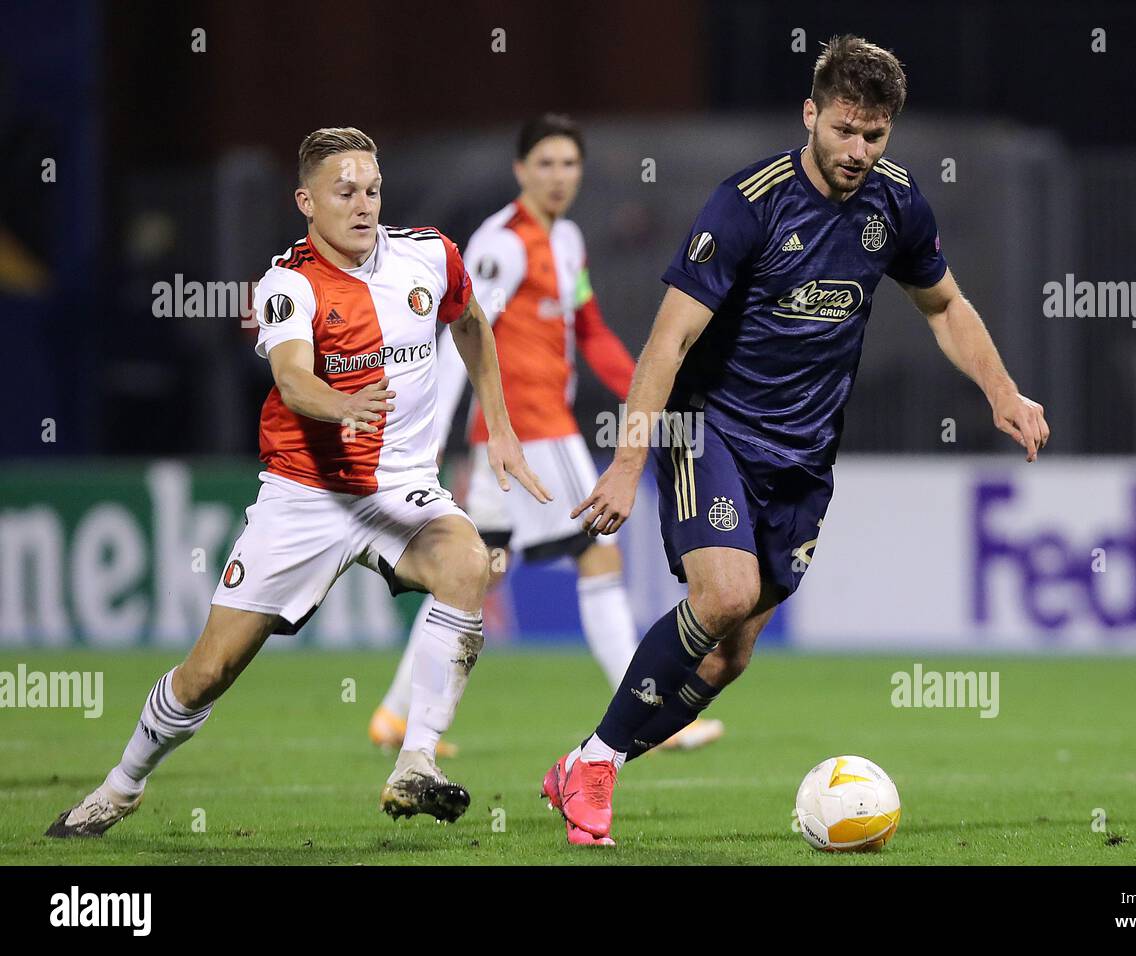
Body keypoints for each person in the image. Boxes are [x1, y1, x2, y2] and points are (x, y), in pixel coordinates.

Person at [546, 36, 1051, 846]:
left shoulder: (896, 204)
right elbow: (666, 344)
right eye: (845, 130)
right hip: (709, 427)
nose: (858, 151)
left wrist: (1001, 391)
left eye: (875, 135)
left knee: (730, 654)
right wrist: (625, 464)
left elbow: (945, 306)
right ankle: (599, 767)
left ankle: (581, 763)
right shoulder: (748, 204)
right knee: (723, 596)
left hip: (805, 457)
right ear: (811, 114)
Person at [46, 127, 549, 838]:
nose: (363, 204)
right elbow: (290, 376)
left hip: (397, 487)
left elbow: (469, 320)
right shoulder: (288, 285)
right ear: (306, 201)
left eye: (373, 189)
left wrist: (498, 424)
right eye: (345, 192)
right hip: (306, 495)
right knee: (208, 672)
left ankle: (416, 761)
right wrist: (339, 404)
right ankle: (121, 785)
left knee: (468, 563)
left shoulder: (431, 255)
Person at [368, 116, 725, 774]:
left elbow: (588, 331)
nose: (559, 177)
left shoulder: (566, 241)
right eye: (546, 164)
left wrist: (650, 389)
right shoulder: (501, 245)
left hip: (519, 437)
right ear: (520, 170)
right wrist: (429, 438)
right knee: (600, 559)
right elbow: (459, 335)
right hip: (530, 428)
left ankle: (394, 713)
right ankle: (648, 713)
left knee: (468, 576)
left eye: (569, 164)